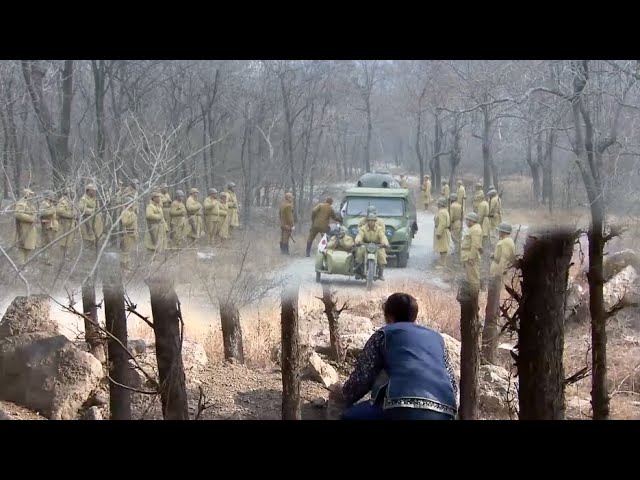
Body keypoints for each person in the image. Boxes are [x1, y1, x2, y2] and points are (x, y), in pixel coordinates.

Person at [328, 292, 458, 420]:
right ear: (414, 316)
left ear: (388, 316)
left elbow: (363, 377)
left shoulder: (383, 334)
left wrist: (343, 394)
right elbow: (452, 382)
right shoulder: (437, 338)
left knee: (348, 416)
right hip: (445, 411)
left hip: (401, 407)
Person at [354, 212, 389, 280]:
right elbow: (360, 235)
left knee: (382, 257)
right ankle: (359, 271)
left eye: (373, 220)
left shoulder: (379, 229)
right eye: (370, 220)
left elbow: (382, 236)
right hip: (365, 244)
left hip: (377, 245)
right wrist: (358, 241)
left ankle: (380, 274)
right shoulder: (363, 228)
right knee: (359, 254)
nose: (371, 222)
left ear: (375, 221)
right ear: (367, 221)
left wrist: (385, 243)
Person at [460, 212, 483, 294]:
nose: (466, 222)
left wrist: (471, 258)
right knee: (471, 277)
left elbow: (475, 245)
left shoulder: (475, 230)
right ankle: (472, 294)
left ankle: (474, 296)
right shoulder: (474, 229)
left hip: (470, 256)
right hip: (467, 254)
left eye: (468, 220)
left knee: (473, 279)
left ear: (472, 221)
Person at [14, 188, 38, 266]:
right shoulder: (21, 203)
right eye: (30, 194)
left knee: (28, 246)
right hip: (23, 228)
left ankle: (24, 262)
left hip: (30, 229)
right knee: (22, 247)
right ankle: (21, 265)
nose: (31, 195)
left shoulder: (30, 204)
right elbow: (18, 214)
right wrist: (31, 218)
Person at [78, 183, 104, 254]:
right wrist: (91, 211)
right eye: (93, 190)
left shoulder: (95, 198)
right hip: (87, 220)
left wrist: (99, 213)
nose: (94, 192)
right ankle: (87, 252)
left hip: (96, 221)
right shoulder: (83, 199)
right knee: (88, 236)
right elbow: (81, 208)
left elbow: (98, 208)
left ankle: (95, 251)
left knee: (96, 235)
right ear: (88, 190)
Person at [39, 190, 59, 266]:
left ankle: (48, 259)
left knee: (50, 243)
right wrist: (52, 210)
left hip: (52, 225)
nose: (53, 197)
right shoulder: (44, 204)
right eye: (51, 196)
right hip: (47, 226)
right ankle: (46, 259)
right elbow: (42, 213)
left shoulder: (50, 204)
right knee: (47, 243)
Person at [145, 191, 167, 258]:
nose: (159, 198)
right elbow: (148, 215)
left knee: (160, 243)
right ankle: (152, 259)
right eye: (157, 197)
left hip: (160, 227)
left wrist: (165, 226)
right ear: (153, 198)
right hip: (153, 227)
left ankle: (158, 258)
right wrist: (158, 216)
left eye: (159, 197)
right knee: (153, 243)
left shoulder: (158, 206)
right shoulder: (150, 206)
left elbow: (162, 217)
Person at [56, 188, 76, 257]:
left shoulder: (71, 201)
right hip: (64, 223)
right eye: (72, 193)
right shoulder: (63, 201)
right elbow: (59, 211)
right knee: (63, 240)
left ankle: (66, 254)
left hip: (70, 223)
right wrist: (70, 215)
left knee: (69, 239)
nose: (73, 194)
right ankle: (62, 255)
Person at [120, 197, 138, 271]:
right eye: (130, 203)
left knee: (129, 250)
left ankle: (127, 265)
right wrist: (132, 218)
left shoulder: (132, 212)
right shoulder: (125, 212)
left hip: (132, 233)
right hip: (127, 233)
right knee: (125, 250)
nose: (132, 204)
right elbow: (124, 222)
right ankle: (123, 266)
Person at [434, 197, 451, 268]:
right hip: (444, 230)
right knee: (442, 247)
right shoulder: (444, 211)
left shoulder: (442, 212)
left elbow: (442, 223)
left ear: (441, 204)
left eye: (438, 203)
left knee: (443, 248)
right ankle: (442, 263)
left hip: (442, 231)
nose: (437, 204)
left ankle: (443, 264)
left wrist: (438, 233)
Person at [449, 193, 463, 259]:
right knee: (459, 238)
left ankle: (457, 253)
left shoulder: (452, 206)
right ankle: (457, 251)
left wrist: (449, 224)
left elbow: (451, 216)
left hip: (454, 223)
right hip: (459, 222)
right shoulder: (460, 205)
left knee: (455, 239)